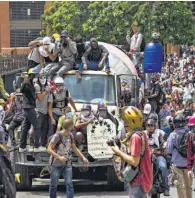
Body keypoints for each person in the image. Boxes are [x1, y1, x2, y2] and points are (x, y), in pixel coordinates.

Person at [111, 106, 152, 198]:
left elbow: (134, 161)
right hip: (144, 178)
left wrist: (118, 152)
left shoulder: (135, 137)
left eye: (125, 121)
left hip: (138, 181)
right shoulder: (142, 134)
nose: (124, 124)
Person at [48, 119, 88, 198]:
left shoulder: (70, 135)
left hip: (67, 164)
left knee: (69, 184)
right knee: (53, 185)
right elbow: (49, 149)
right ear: (70, 127)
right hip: (55, 164)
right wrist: (59, 157)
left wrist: (83, 157)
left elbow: (74, 148)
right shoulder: (57, 136)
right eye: (72, 125)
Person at [167, 115, 192, 198]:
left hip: (177, 165)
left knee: (180, 187)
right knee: (189, 187)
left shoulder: (172, 135)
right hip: (188, 165)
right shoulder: (190, 134)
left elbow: (169, 150)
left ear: (174, 124)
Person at [145, 119, 170, 196]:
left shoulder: (160, 132)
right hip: (146, 157)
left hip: (158, 155)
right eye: (148, 126)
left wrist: (165, 144)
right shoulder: (143, 134)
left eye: (151, 125)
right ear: (146, 126)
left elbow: (166, 139)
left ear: (154, 126)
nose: (150, 127)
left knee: (163, 167)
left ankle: (165, 187)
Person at [19, 72, 42, 152]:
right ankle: (36, 146)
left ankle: (22, 146)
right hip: (29, 107)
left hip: (26, 107)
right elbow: (32, 97)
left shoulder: (26, 83)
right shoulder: (28, 84)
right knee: (37, 126)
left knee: (25, 127)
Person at [33, 71, 51, 151]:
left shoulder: (48, 85)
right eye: (41, 78)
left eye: (44, 77)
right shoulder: (37, 86)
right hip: (39, 111)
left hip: (46, 111)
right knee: (37, 128)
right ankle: (36, 145)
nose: (43, 79)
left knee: (45, 128)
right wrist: (46, 91)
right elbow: (40, 97)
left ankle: (43, 144)